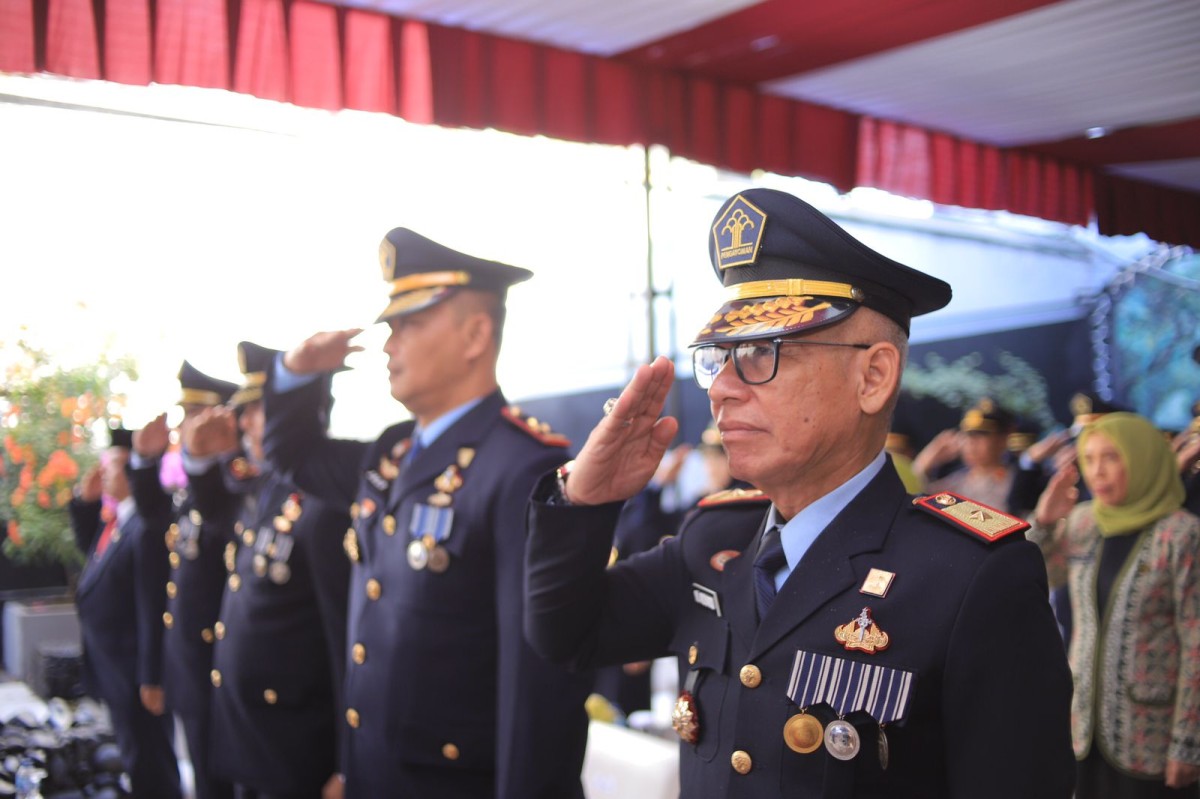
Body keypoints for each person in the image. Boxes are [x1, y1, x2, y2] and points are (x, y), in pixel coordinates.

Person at [524, 187, 1076, 797]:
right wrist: (583, 498)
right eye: (719, 357)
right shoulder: (717, 539)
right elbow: (565, 633)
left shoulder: (970, 575)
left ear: (873, 376)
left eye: (762, 353)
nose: (723, 389)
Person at [260, 228, 593, 798]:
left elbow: (534, 684)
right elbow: (292, 457)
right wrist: (294, 372)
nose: (390, 345)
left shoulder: (523, 467)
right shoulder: (391, 451)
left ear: (475, 334)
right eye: (390, 327)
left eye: (408, 325)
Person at [177, 341, 352, 799]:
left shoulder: (326, 502)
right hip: (252, 735)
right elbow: (216, 514)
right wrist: (197, 460)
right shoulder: (267, 487)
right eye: (245, 410)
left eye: (260, 408)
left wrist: (346, 761)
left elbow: (345, 639)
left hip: (298, 743)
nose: (245, 422)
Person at [1029, 411, 1200, 796]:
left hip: (1152, 735)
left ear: (1141, 458)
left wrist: (1189, 743)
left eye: (1111, 457)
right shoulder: (1085, 522)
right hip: (1083, 727)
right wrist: (1043, 520)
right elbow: (1034, 578)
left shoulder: (1182, 535)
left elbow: (1196, 645)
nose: (1097, 472)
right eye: (1089, 459)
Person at [128, 362, 238, 799]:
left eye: (193, 416)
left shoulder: (232, 489)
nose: (182, 428)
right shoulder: (194, 494)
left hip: (223, 673)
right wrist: (144, 460)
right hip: (192, 671)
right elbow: (156, 519)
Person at [69, 427, 182, 798]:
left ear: (133, 473)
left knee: (151, 763)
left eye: (113, 468)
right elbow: (95, 561)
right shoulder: (118, 522)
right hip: (115, 668)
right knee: (136, 759)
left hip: (135, 673)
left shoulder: (144, 527)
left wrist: (152, 678)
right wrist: (83, 503)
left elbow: (152, 606)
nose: (104, 475)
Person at [911, 398, 1018, 511]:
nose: (971, 442)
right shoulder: (956, 481)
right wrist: (929, 457)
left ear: (1002, 439)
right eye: (967, 435)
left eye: (981, 435)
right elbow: (915, 494)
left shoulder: (1017, 480)